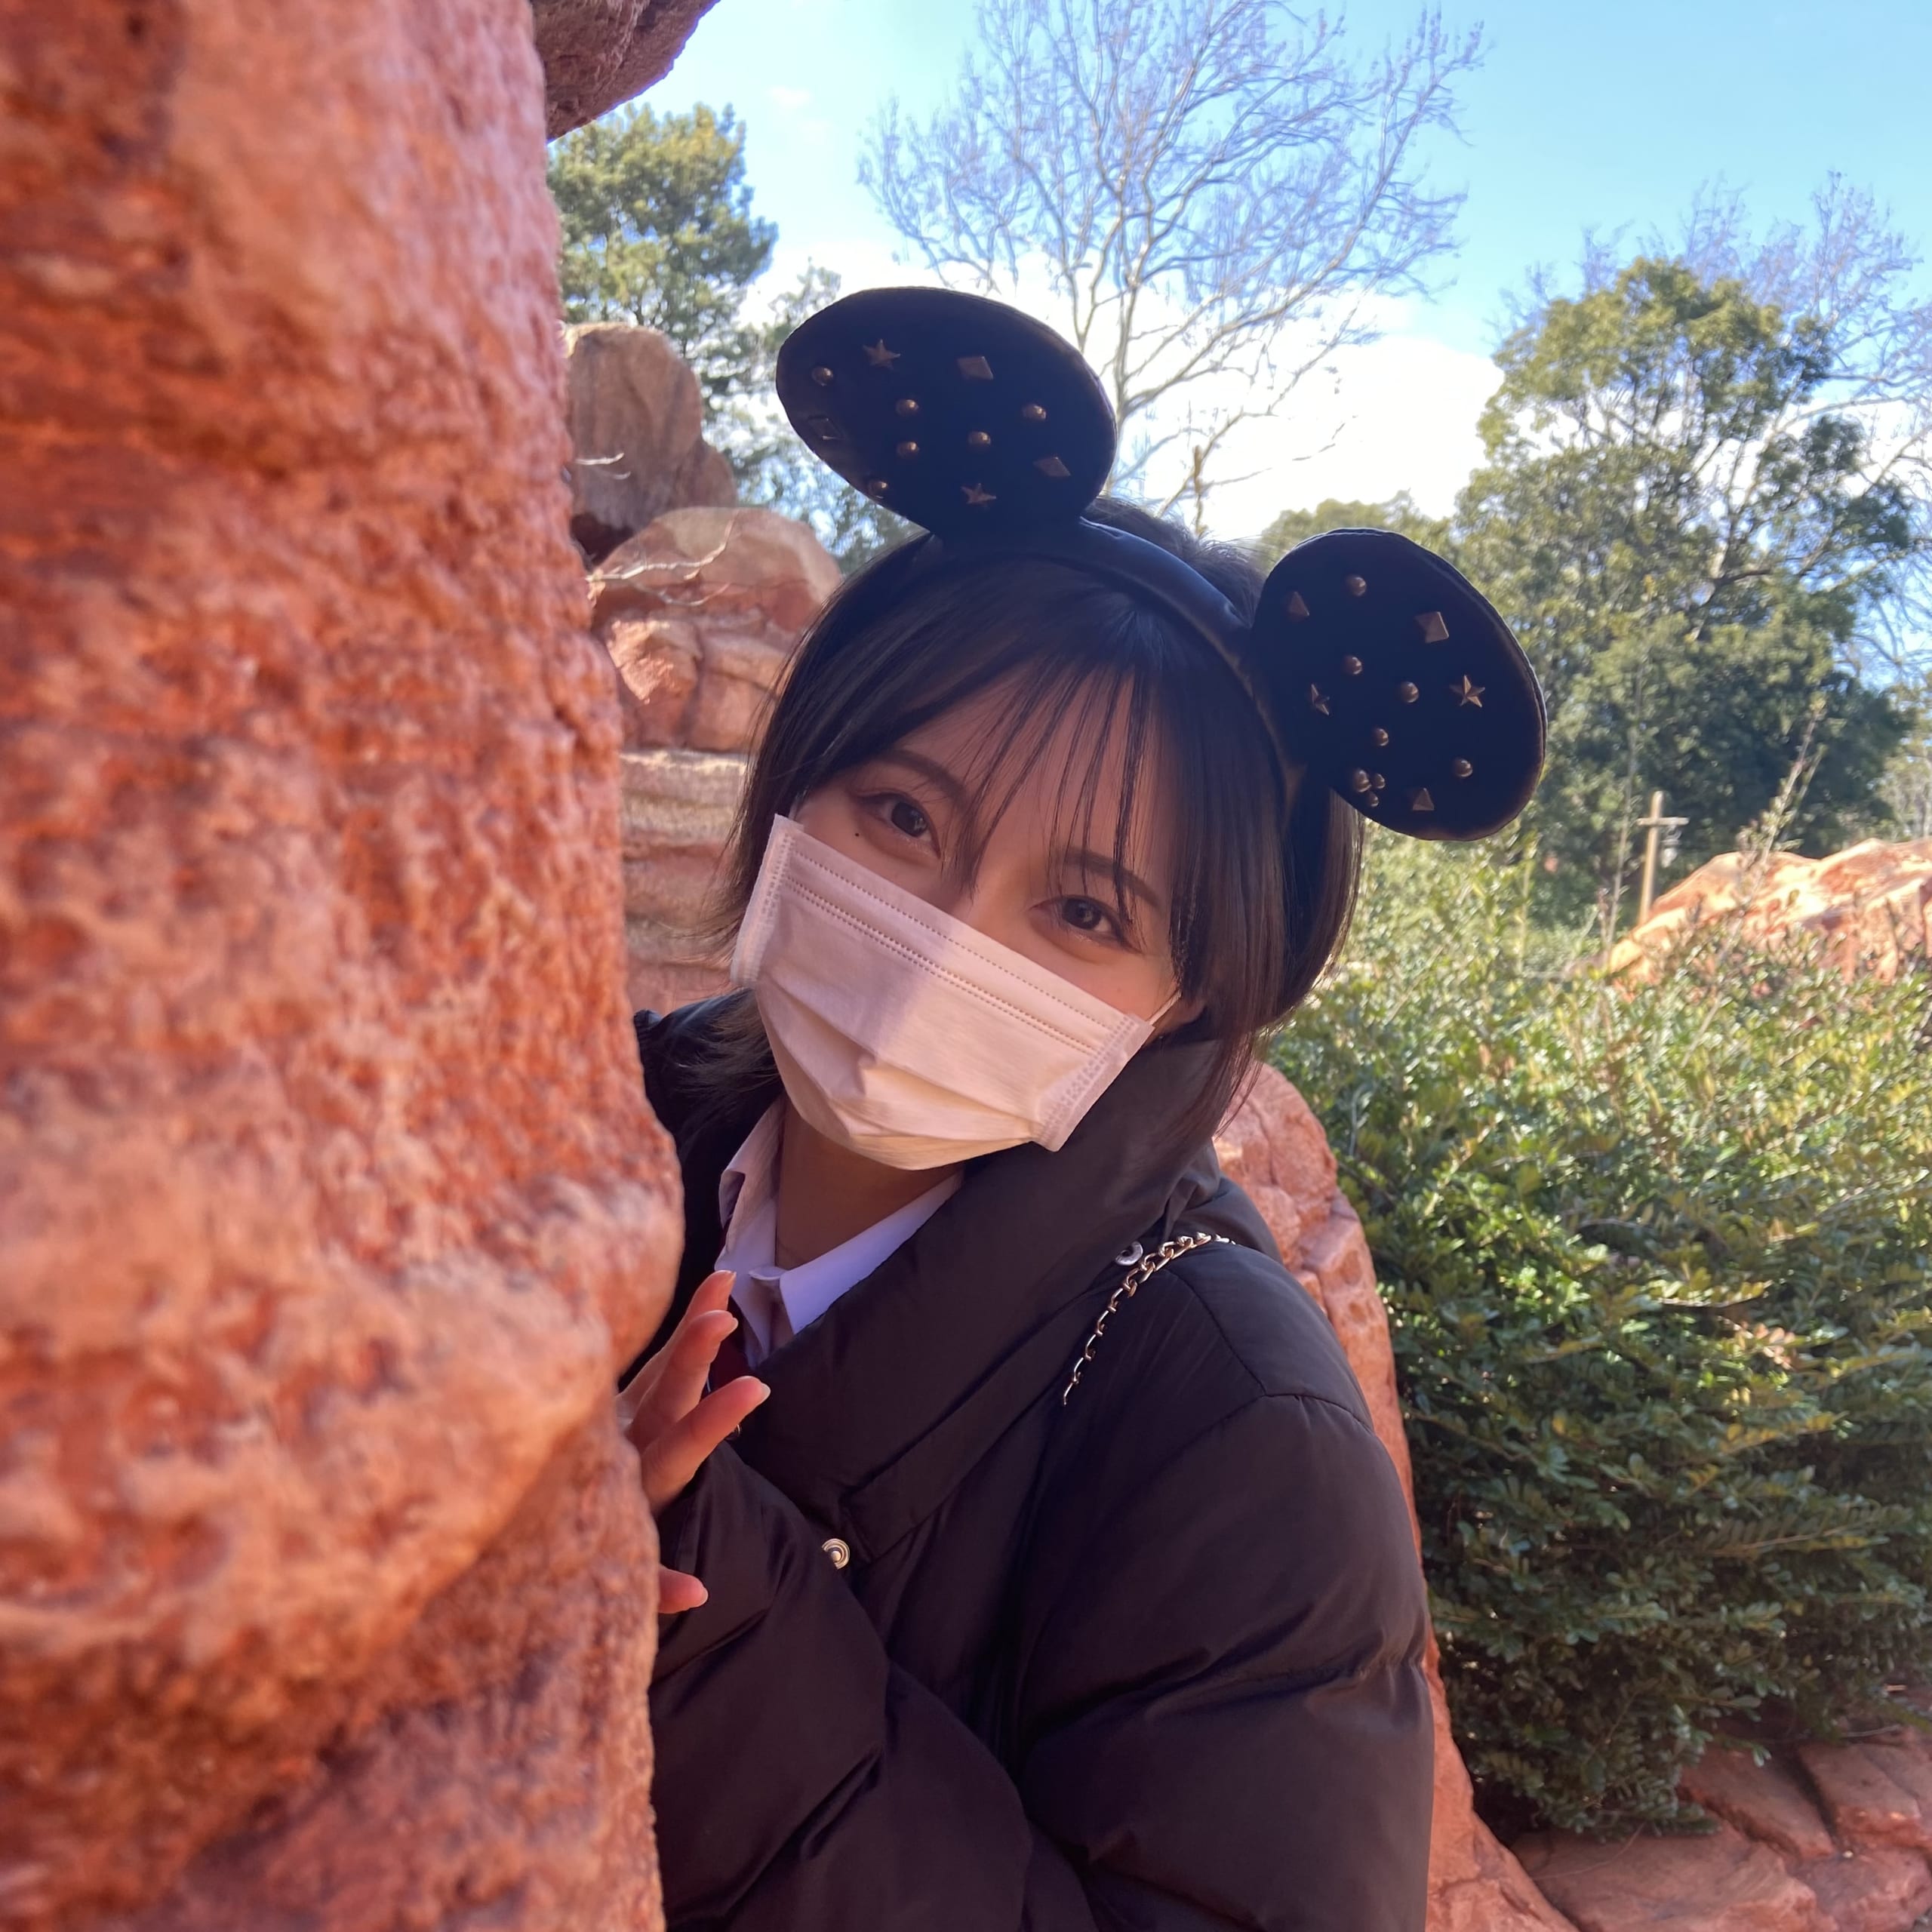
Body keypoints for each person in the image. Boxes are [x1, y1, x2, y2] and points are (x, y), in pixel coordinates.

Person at [616, 287, 1545, 1930]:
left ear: (1190, 994)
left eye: (1085, 910)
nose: (943, 943)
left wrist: (699, 1601)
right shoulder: (611, 1121)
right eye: (904, 816)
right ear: (796, 776)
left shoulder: (1244, 1445)